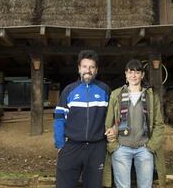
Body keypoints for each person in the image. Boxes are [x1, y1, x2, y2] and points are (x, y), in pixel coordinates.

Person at [103, 59, 166, 188]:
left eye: (137, 72)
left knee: (145, 185)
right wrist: (114, 145)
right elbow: (108, 123)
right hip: (121, 148)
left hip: (144, 148)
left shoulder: (150, 96)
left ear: (142, 75)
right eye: (130, 72)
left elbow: (158, 124)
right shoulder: (116, 95)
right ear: (126, 74)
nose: (133, 75)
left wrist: (151, 146)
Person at [53, 50, 110, 188]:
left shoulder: (105, 90)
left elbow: (112, 117)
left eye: (91, 67)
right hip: (72, 146)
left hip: (96, 147)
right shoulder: (69, 90)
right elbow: (59, 118)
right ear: (79, 68)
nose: (88, 70)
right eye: (84, 66)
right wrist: (60, 145)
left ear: (96, 70)